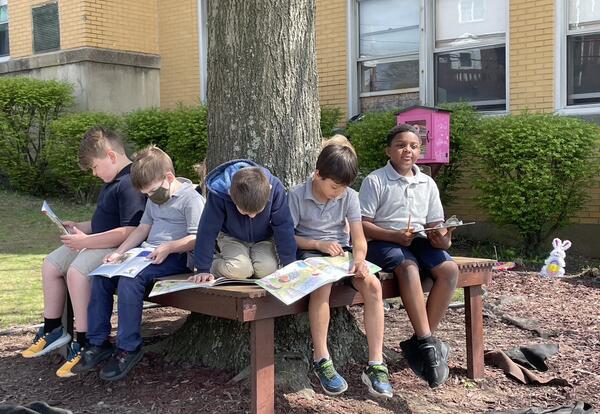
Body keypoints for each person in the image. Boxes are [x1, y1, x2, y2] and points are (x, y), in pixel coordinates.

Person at [21, 127, 146, 378]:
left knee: (77, 273)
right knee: (51, 264)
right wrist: (78, 227)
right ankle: (53, 328)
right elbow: (103, 224)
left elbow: (129, 231)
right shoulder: (110, 183)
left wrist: (87, 240)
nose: (94, 173)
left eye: (94, 167)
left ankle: (85, 340)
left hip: (116, 248)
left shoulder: (131, 182)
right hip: (96, 241)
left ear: (111, 156)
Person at [72, 145, 205, 381]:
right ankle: (98, 342)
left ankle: (128, 347)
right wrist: (119, 253)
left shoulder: (190, 199)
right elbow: (143, 228)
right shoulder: (154, 199)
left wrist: (169, 247)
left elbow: (197, 237)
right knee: (101, 275)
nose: (149, 197)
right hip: (146, 255)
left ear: (169, 177)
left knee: (128, 282)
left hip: (175, 258)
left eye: (152, 191)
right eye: (145, 194)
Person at [288, 138, 393, 398]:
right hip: (311, 252)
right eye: (334, 187)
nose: (337, 193)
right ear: (317, 175)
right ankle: (321, 358)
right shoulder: (296, 194)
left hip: (341, 256)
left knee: (372, 284)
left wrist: (359, 259)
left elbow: (358, 237)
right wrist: (317, 244)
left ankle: (376, 363)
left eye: (343, 188)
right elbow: (286, 236)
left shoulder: (349, 197)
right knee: (321, 286)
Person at [359, 124, 459, 388]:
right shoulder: (376, 180)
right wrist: (393, 236)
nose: (408, 150)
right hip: (383, 241)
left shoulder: (427, 182)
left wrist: (443, 238)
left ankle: (418, 341)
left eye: (414, 146)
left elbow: (437, 223)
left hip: (418, 239)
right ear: (388, 150)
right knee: (409, 267)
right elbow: (363, 223)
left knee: (449, 270)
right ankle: (427, 345)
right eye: (401, 145)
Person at [189, 160, 296, 284]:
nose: (252, 216)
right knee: (240, 270)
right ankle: (215, 262)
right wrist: (203, 268)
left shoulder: (275, 188)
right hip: (231, 237)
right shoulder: (219, 193)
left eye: (258, 211)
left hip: (263, 239)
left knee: (267, 271)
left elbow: (284, 226)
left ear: (269, 190)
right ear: (230, 195)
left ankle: (249, 264)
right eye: (245, 212)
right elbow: (207, 229)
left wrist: (289, 264)